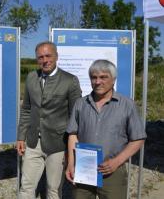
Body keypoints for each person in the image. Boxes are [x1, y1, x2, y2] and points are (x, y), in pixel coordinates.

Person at [65, 59, 146, 199]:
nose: (97, 81)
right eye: (94, 77)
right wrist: (71, 164)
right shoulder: (80, 104)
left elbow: (138, 139)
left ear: (113, 80)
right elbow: (72, 135)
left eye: (103, 77)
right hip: (83, 170)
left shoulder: (127, 105)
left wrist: (116, 162)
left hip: (112, 171)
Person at [17, 41, 82, 199]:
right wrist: (21, 136)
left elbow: (76, 116)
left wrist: (71, 147)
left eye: (48, 56)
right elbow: (26, 109)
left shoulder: (70, 80)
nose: (44, 60)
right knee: (26, 186)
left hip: (58, 144)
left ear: (56, 56)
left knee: (53, 189)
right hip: (33, 142)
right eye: (40, 57)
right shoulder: (32, 77)